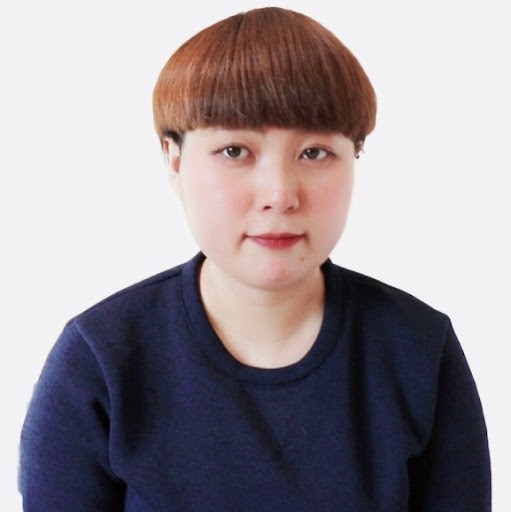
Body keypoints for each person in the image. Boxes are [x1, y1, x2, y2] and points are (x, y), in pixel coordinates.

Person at [19, 7, 491, 511]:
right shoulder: (99, 362)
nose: (280, 194)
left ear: (354, 157)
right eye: (235, 151)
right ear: (175, 160)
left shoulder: (420, 349)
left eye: (314, 153)